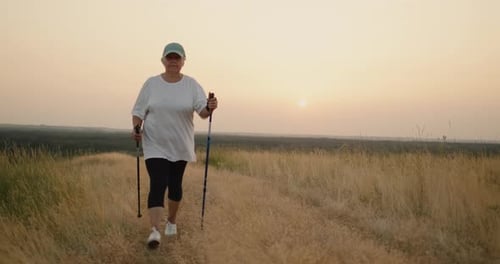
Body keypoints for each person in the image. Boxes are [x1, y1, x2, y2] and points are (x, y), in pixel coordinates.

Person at [131, 42, 218, 249]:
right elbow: (138, 112)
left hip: (180, 144)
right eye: (169, 57)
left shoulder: (191, 85)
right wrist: (137, 129)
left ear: (183, 62)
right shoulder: (151, 84)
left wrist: (210, 106)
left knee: (175, 186)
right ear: (163, 60)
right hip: (154, 144)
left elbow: (203, 112)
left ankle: (171, 220)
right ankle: (154, 231)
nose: (172, 61)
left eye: (176, 58)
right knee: (158, 183)